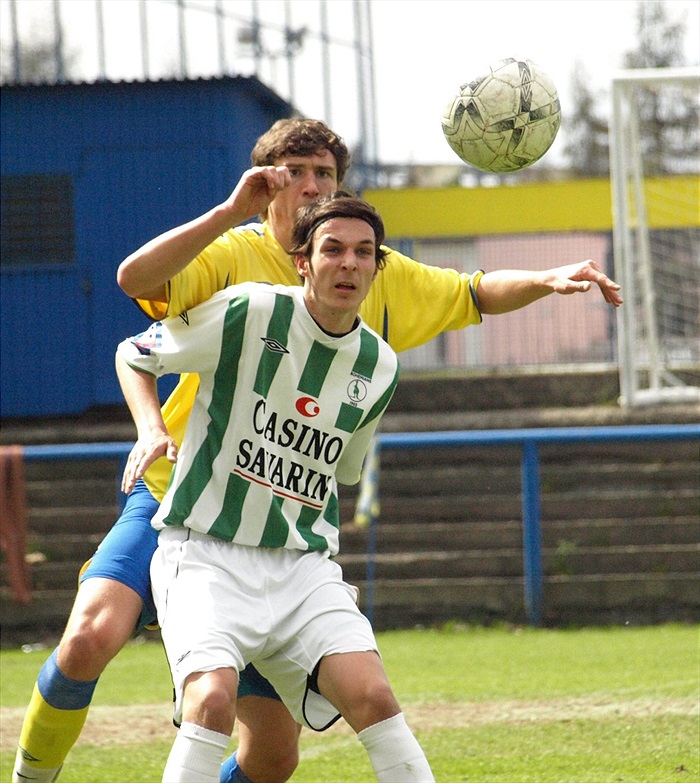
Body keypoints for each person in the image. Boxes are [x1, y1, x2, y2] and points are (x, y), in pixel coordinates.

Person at [13, 118, 623, 783]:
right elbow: (137, 288)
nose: (310, 185)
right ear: (265, 184)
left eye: (324, 174)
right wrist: (225, 216)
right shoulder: (234, 260)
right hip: (180, 492)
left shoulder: (367, 268)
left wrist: (548, 277)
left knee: (272, 758)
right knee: (90, 637)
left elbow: (472, 292)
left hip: (282, 537)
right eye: (293, 171)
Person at [114, 192, 434, 783]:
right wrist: (152, 429)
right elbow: (135, 352)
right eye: (332, 249)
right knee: (209, 704)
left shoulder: (380, 365)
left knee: (374, 698)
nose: (349, 264)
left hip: (301, 568)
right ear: (303, 261)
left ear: (376, 267)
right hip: (206, 554)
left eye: (365, 253)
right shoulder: (250, 310)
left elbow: (342, 470)